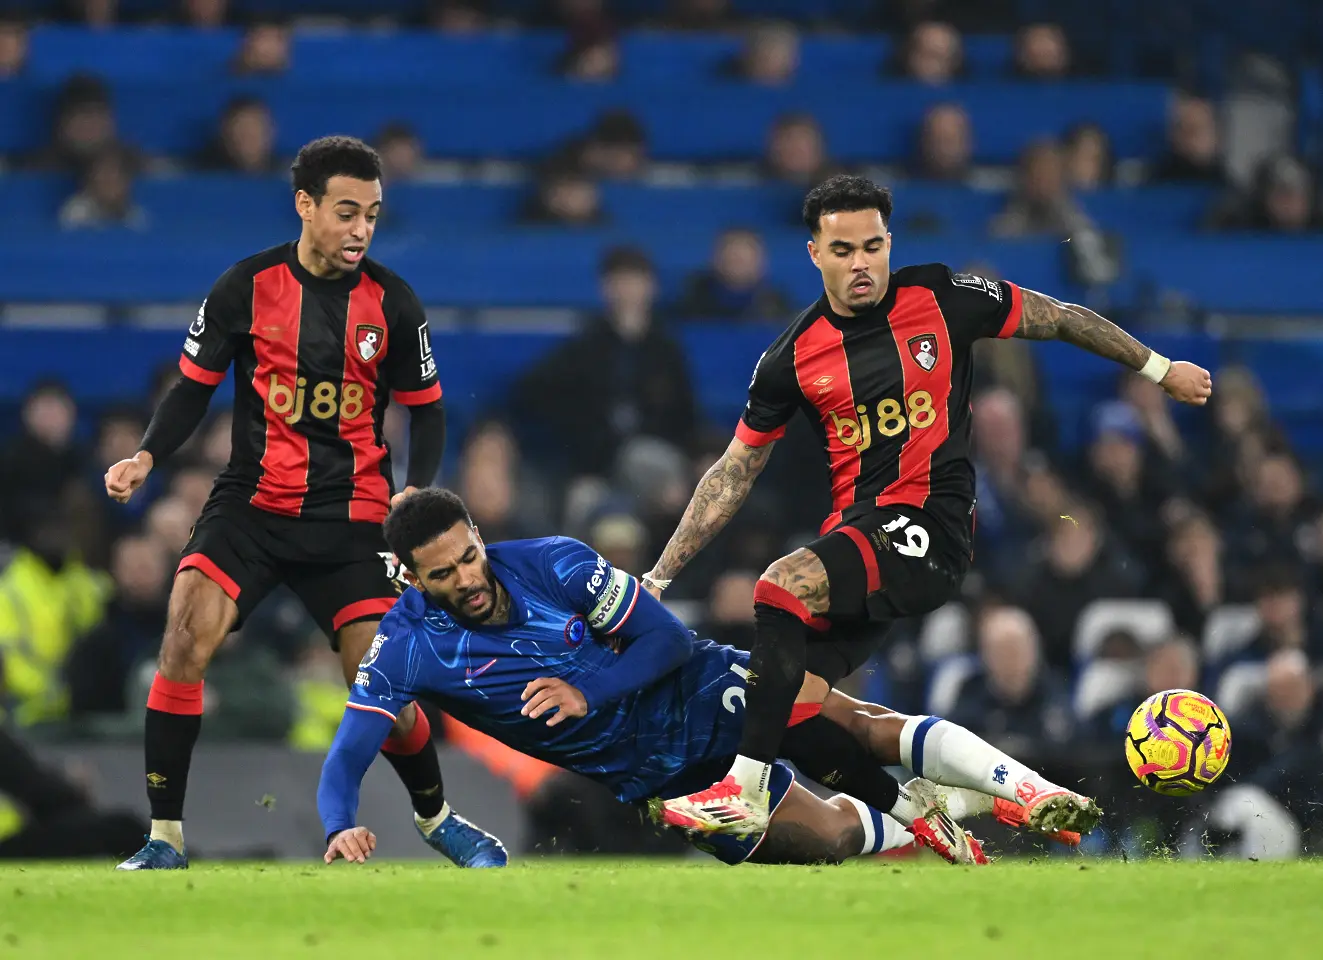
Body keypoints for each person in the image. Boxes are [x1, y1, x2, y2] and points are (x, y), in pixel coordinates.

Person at [642, 174, 1213, 836]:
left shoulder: (941, 296)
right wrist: (660, 574)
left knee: (777, 586)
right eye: (844, 250)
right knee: (786, 711)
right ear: (814, 254)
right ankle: (935, 808)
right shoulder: (792, 356)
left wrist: (1157, 367)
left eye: (873, 246)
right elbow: (733, 471)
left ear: (889, 243)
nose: (862, 263)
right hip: (863, 546)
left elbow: (1057, 317)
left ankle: (741, 794)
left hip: (927, 529)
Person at [102, 136, 501, 870]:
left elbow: (429, 408)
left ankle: (437, 817)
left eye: (373, 216)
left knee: (383, 682)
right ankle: (164, 838)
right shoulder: (243, 288)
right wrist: (149, 455)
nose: (360, 230)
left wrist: (417, 481)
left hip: (353, 521)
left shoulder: (393, 303)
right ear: (305, 205)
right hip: (251, 509)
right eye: (346, 212)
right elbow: (194, 385)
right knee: (184, 638)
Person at [318, 489, 1093, 867]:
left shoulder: (551, 562)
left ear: (479, 538)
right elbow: (353, 744)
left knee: (848, 723)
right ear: (411, 578)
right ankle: (945, 813)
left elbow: (664, 640)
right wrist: (336, 823)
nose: (467, 577)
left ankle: (1025, 789)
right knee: (822, 842)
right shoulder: (407, 646)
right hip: (661, 781)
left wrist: (589, 691)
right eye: (444, 574)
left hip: (699, 693)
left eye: (469, 556)